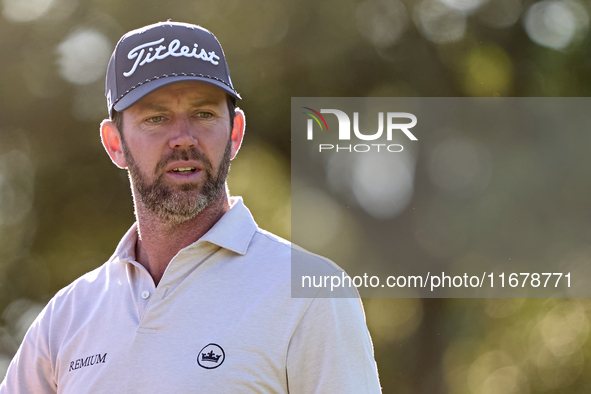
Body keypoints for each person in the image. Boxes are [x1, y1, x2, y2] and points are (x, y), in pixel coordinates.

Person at [0, 21, 381, 393]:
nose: (183, 138)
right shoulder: (66, 318)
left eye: (203, 114)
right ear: (115, 143)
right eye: (156, 117)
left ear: (234, 134)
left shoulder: (311, 296)